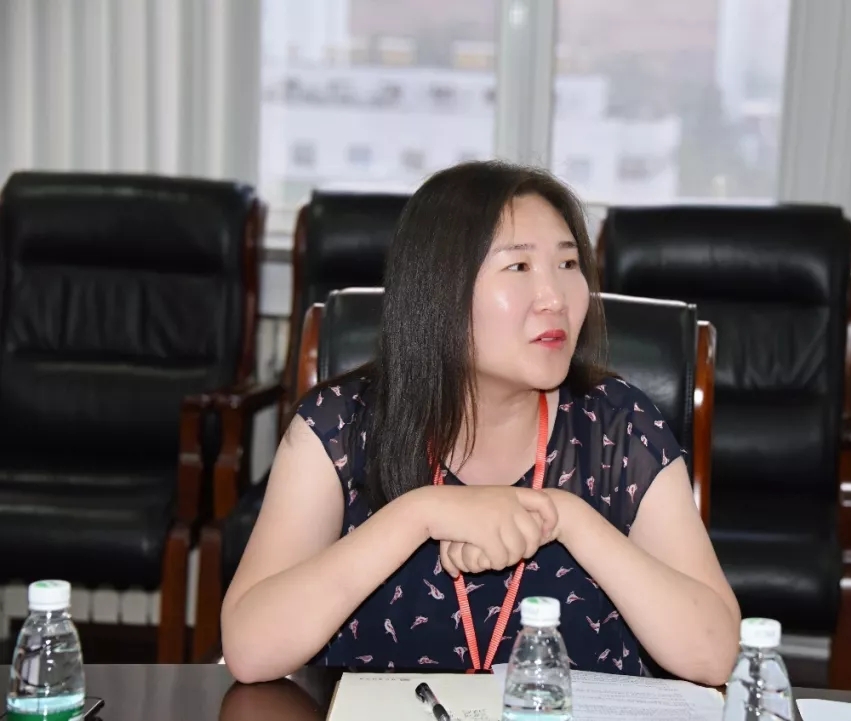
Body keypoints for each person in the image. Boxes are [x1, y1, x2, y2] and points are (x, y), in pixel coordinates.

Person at [220, 161, 741, 685]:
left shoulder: (618, 427)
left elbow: (714, 653)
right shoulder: (340, 426)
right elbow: (250, 649)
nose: (556, 298)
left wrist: (564, 517)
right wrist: (421, 514)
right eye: (519, 267)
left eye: (567, 263)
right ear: (440, 290)